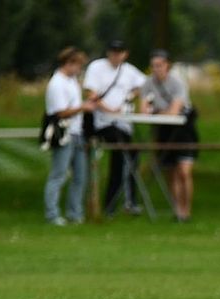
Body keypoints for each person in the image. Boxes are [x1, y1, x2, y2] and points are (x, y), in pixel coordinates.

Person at [83, 40, 147, 217]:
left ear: (125, 54)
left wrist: (131, 96)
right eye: (113, 51)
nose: (115, 55)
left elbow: (144, 85)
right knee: (120, 156)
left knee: (131, 155)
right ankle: (111, 204)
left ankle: (129, 201)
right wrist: (110, 109)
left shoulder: (129, 70)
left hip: (123, 123)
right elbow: (91, 95)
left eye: (119, 52)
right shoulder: (96, 67)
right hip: (103, 122)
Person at [141, 49, 198, 222]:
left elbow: (175, 111)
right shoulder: (147, 84)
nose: (156, 69)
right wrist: (158, 112)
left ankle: (186, 209)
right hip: (164, 131)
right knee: (171, 172)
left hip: (183, 131)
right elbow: (143, 110)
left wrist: (157, 111)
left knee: (184, 172)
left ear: (167, 65)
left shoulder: (177, 83)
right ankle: (177, 209)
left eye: (159, 65)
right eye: (153, 66)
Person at [44, 47, 94, 226]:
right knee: (58, 174)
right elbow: (60, 112)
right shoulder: (56, 84)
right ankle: (52, 213)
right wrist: (83, 108)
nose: (79, 69)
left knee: (80, 175)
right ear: (69, 63)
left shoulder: (72, 81)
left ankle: (75, 212)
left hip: (77, 132)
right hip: (64, 133)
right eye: (78, 65)